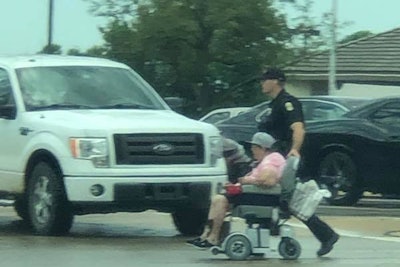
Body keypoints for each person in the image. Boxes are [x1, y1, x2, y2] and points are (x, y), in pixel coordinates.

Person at [257, 67, 339, 257]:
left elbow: (298, 128)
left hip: (285, 159)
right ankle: (325, 235)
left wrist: (294, 150)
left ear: (276, 81)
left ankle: (326, 235)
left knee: (291, 200)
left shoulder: (288, 103)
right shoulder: (273, 105)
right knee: (282, 200)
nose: (262, 83)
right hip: (275, 158)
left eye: (265, 79)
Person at [187, 132, 286, 249]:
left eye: (254, 147)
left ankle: (212, 237)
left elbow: (268, 180)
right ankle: (208, 235)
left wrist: (245, 181)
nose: (252, 150)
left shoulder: (271, 159)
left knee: (219, 200)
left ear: (262, 148)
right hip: (256, 193)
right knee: (218, 199)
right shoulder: (269, 159)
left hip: (260, 195)